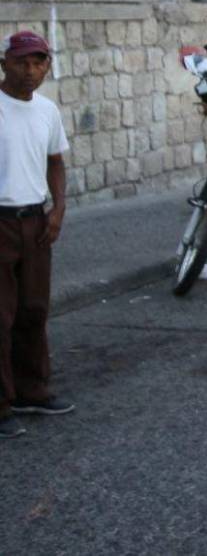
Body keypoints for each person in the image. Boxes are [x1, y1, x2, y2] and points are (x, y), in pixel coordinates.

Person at [0, 31, 74, 440]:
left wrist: (57, 208)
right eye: (22, 62)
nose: (30, 71)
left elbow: (55, 162)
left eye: (38, 63)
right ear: (4, 63)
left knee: (33, 309)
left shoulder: (46, 110)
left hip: (34, 221)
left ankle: (32, 390)